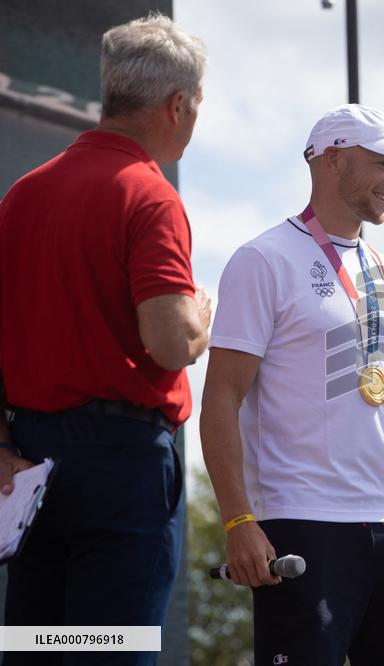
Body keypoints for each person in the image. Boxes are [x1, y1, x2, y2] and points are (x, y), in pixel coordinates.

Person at [201, 103, 384, 665]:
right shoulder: (263, 259)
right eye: (383, 164)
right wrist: (238, 519)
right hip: (304, 523)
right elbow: (222, 399)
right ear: (333, 160)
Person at [0, 12, 209, 665]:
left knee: (35, 649)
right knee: (112, 652)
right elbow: (170, 344)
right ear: (178, 105)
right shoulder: (149, 196)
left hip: (28, 459)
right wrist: (202, 314)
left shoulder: (23, 194)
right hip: (120, 467)